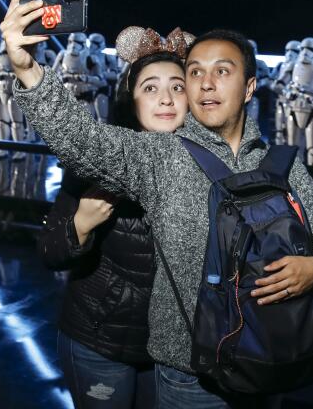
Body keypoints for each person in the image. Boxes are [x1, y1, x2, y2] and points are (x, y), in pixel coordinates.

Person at [3, 0, 313, 407]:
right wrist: (27, 69)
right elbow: (82, 139)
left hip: (270, 364)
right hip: (190, 380)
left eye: (223, 71)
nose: (206, 82)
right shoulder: (163, 156)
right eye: (197, 72)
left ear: (250, 87)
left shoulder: (283, 164)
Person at [39, 27, 192, 409]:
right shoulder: (98, 161)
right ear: (131, 99)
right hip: (101, 342)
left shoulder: (209, 166)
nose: (166, 99)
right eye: (151, 88)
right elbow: (50, 252)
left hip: (177, 353)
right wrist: (82, 224)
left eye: (177, 87)